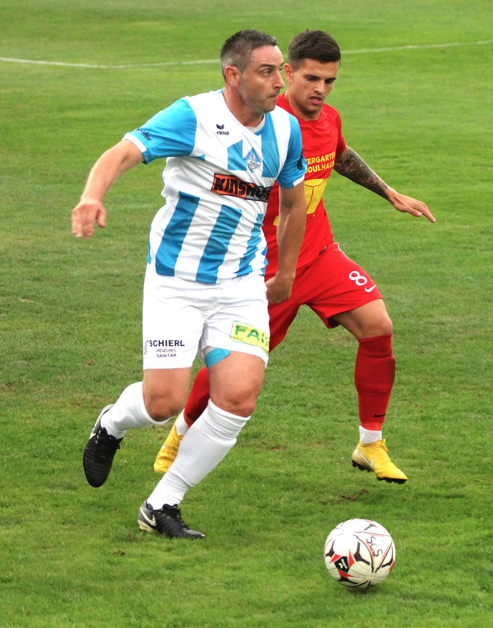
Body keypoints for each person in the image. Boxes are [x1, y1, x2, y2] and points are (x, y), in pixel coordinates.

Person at [154, 30, 436, 484]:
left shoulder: (329, 118)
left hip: (321, 255)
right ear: (287, 73)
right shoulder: (271, 124)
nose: (320, 90)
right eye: (311, 78)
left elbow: (339, 155)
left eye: (329, 81)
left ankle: (370, 443)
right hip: (266, 268)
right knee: (231, 364)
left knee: (379, 328)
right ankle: (181, 433)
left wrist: (389, 192)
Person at [71, 29, 307, 539]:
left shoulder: (287, 131)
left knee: (239, 398)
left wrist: (285, 272)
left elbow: (293, 204)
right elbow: (122, 153)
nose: (278, 81)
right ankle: (113, 421)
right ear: (233, 75)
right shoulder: (193, 116)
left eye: (281, 70)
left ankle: (163, 504)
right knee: (163, 405)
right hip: (175, 281)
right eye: (267, 71)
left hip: (241, 284)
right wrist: (92, 196)